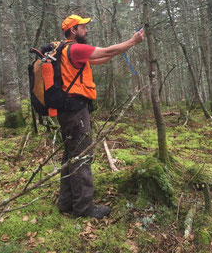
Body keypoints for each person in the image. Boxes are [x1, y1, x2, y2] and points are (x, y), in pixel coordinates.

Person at [54, 14, 144, 219]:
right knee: (82, 156)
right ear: (73, 31)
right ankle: (84, 208)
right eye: (83, 27)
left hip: (67, 110)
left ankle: (66, 203)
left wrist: (125, 47)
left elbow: (103, 58)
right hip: (75, 110)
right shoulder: (75, 48)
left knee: (71, 156)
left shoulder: (66, 51)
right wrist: (132, 41)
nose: (86, 30)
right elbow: (107, 51)